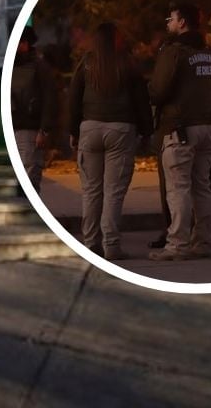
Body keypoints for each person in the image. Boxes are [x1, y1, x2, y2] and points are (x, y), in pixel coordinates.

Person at [148, 2, 211, 261]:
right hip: (206, 129)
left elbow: (158, 90)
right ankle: (201, 242)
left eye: (171, 19)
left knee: (178, 189)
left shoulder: (174, 52)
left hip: (179, 129)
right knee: (202, 187)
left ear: (182, 22)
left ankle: (177, 246)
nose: (169, 23)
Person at [68, 22, 152, 261]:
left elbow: (74, 98)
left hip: (90, 128)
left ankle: (90, 243)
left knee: (91, 191)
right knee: (114, 191)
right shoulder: (128, 63)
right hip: (121, 129)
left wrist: (73, 130)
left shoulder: (86, 63)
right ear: (117, 39)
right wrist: (146, 131)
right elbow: (141, 100)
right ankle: (111, 245)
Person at [10, 25, 58, 193]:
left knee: (29, 175)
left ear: (25, 44)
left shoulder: (39, 66)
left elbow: (50, 99)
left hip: (30, 129)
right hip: (15, 127)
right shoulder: (12, 66)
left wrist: (44, 129)